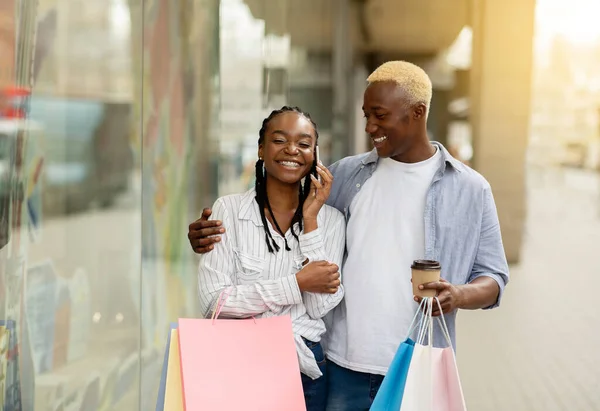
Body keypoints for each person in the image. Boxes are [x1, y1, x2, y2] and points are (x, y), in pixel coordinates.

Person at [188, 61, 509, 410]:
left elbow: (494, 278)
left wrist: (458, 295)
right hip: (342, 366)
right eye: (366, 115)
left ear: (417, 112)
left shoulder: (470, 189)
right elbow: (293, 214)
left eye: (379, 115)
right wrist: (208, 234)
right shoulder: (345, 175)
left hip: (417, 363)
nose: (370, 126)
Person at [196, 106, 345, 411]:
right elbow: (215, 303)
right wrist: (295, 284)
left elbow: (319, 307)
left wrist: (311, 220)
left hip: (302, 368)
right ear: (261, 150)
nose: (292, 149)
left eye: (304, 144)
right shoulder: (229, 211)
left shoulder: (331, 221)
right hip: (236, 361)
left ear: (315, 155)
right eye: (280, 140)